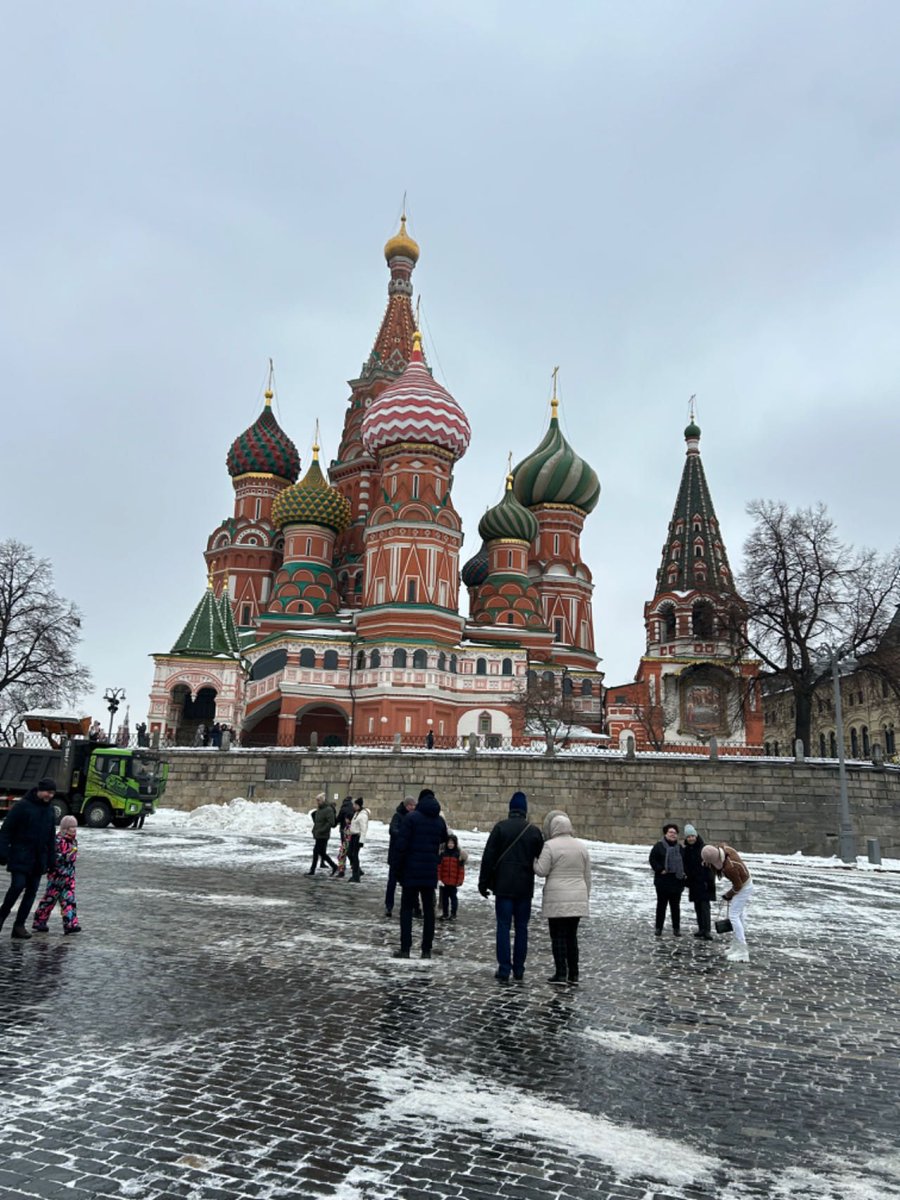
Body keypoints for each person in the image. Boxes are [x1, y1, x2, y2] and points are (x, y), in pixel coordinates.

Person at [478, 791, 544, 983]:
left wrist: (483, 883)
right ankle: (519, 969)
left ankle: (504, 968)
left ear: (510, 809)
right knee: (522, 928)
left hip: (503, 886)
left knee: (503, 926)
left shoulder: (500, 828)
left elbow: (488, 857)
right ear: (524, 810)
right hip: (524, 887)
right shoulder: (532, 831)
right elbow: (541, 857)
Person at [534, 813, 591, 985]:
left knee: (558, 936)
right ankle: (574, 973)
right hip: (577, 896)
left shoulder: (549, 846)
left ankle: (560, 973)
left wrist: (534, 860)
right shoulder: (581, 846)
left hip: (557, 897)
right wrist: (585, 895)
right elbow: (587, 875)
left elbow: (542, 870)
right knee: (571, 936)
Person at [393, 788, 448, 959]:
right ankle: (426, 949)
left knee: (407, 910)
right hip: (429, 871)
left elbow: (401, 846)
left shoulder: (411, 818)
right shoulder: (439, 821)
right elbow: (444, 839)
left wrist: (397, 869)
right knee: (429, 912)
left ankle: (405, 948)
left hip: (411, 870)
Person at [0, 778, 58, 940]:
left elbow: (50, 837)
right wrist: (3, 852)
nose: (50, 796)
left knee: (31, 893)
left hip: (39, 859)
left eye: (53, 793)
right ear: (39, 790)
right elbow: (6, 830)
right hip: (20, 855)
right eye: (48, 792)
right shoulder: (22, 807)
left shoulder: (49, 811)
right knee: (17, 886)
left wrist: (52, 860)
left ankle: (19, 926)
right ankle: (1, 917)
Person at [701, 842, 753, 962]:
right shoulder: (724, 849)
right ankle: (736, 945)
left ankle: (742, 951)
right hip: (745, 883)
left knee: (734, 916)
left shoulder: (730, 867)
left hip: (744, 887)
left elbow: (738, 886)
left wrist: (728, 895)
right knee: (739, 915)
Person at [32, 815, 81, 934]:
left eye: (75, 827)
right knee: (49, 900)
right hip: (56, 877)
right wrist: (64, 857)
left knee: (69, 900)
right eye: (71, 827)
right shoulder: (58, 840)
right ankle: (39, 922)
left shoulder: (73, 841)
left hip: (68, 877)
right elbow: (53, 857)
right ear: (65, 828)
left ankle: (70, 924)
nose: (74, 829)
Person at [649, 822, 685, 937]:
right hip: (663, 880)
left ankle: (676, 928)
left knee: (675, 906)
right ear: (665, 833)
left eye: (674, 833)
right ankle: (659, 928)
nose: (673, 834)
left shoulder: (680, 847)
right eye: (670, 832)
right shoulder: (659, 846)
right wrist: (660, 869)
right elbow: (652, 859)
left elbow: (685, 862)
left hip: (676, 880)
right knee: (661, 906)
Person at [681, 823, 715, 939]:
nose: (691, 838)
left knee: (705, 907)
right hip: (693, 882)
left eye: (692, 836)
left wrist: (709, 880)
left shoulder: (704, 848)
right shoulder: (686, 850)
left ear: (696, 836)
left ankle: (707, 930)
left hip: (705, 881)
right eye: (688, 837)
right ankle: (701, 928)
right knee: (697, 906)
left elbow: (712, 863)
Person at [385, 797, 416, 916]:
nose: (413, 808)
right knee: (392, 882)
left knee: (407, 884)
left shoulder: (414, 817)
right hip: (396, 855)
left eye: (414, 805)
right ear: (406, 805)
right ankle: (389, 906)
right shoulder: (398, 816)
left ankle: (407, 907)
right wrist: (404, 836)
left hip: (407, 856)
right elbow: (393, 830)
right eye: (411, 805)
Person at [308, 793, 339, 876]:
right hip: (318, 834)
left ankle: (312, 870)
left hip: (323, 835)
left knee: (316, 852)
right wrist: (314, 830)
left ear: (322, 800)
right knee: (322, 853)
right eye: (316, 801)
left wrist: (322, 830)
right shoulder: (319, 809)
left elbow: (331, 823)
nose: (317, 802)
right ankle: (334, 866)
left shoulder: (328, 810)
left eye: (318, 800)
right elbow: (317, 822)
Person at [437, 834, 466, 920]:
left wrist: (460, 880)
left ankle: (453, 914)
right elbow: (439, 868)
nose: (450, 845)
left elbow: (461, 870)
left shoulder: (458, 855)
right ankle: (445, 913)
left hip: (453, 882)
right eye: (449, 843)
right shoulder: (443, 854)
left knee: (453, 899)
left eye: (452, 843)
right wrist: (439, 879)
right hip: (444, 881)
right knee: (444, 899)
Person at [347, 797, 369, 883]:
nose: (353, 806)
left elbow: (364, 829)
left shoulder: (363, 815)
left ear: (358, 805)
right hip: (353, 836)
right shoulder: (356, 813)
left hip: (357, 837)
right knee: (350, 853)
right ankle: (358, 870)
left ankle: (356, 876)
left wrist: (361, 841)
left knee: (354, 856)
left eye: (355, 804)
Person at [334, 795, 355, 877]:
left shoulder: (343, 808)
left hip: (344, 832)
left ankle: (342, 870)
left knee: (343, 853)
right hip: (352, 833)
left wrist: (334, 823)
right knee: (349, 852)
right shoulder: (353, 808)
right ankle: (354, 867)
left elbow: (338, 819)